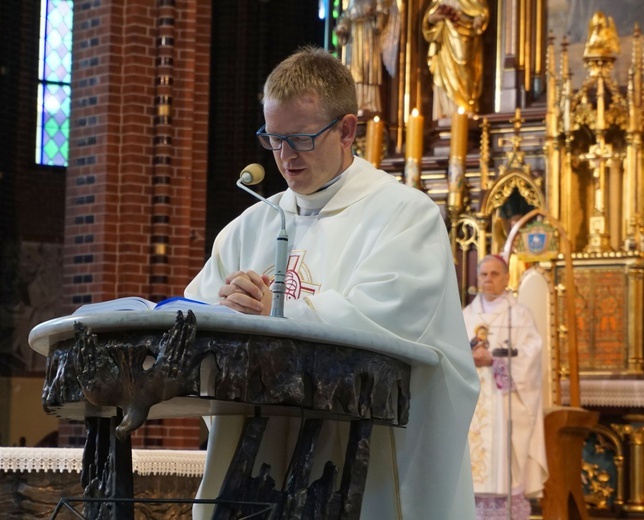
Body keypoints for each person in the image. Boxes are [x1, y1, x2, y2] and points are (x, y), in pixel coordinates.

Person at [185, 46, 479, 519]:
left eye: (300, 139)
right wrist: (224, 310)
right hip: (262, 462)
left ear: (346, 130)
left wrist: (275, 314)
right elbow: (195, 312)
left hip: (363, 465)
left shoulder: (405, 217)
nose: (284, 157)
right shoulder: (251, 225)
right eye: (272, 139)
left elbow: (386, 321)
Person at [463, 255, 548, 520]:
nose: (488, 280)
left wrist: (496, 361)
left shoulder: (518, 315)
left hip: (505, 399)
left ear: (506, 278)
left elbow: (531, 355)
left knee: (505, 455)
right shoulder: (466, 315)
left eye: (495, 274)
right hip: (474, 400)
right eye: (483, 275)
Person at [422, 0, 489, 120]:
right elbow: (429, 19)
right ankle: (445, 111)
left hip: (465, 36)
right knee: (444, 73)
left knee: (464, 67)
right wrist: (436, 17)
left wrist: (479, 19)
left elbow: (482, 11)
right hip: (445, 38)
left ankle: (465, 109)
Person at [334, 0, 397, 116]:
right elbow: (346, 16)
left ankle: (369, 103)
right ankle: (357, 102)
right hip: (354, 38)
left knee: (368, 69)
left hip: (369, 36)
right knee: (355, 71)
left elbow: (382, 15)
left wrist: (376, 16)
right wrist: (342, 28)